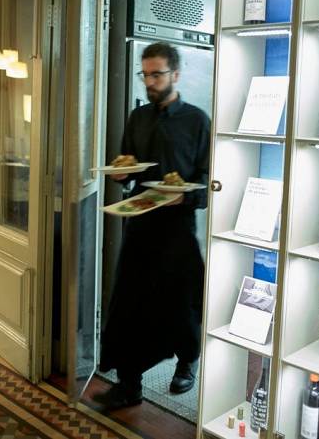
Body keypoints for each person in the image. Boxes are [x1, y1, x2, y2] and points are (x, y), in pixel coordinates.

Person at [95, 42, 210, 411]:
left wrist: (185, 197)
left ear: (175, 75)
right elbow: (125, 167)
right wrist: (121, 174)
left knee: (182, 304)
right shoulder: (138, 118)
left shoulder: (197, 120)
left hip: (177, 230)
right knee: (130, 305)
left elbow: (208, 182)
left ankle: (186, 362)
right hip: (140, 224)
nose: (150, 81)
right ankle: (130, 384)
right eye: (145, 74)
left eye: (156, 74)